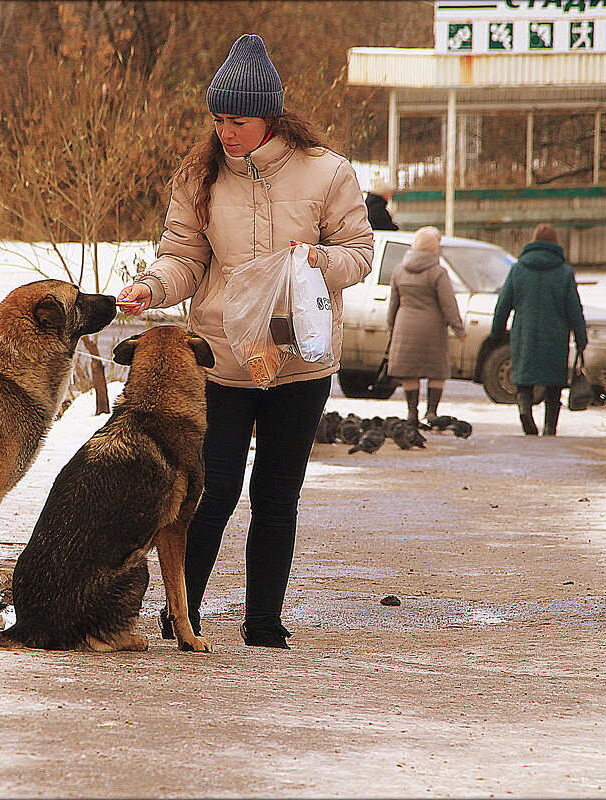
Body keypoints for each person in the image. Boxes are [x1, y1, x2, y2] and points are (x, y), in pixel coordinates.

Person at [117, 33, 374, 649]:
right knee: (211, 490)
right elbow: (186, 258)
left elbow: (360, 254)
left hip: (299, 362)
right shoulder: (199, 176)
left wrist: (318, 261)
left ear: (271, 117)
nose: (225, 132)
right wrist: (153, 288)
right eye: (218, 120)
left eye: (238, 120)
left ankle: (263, 623)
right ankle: (185, 615)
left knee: (277, 494)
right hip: (221, 361)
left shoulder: (329, 173)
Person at [491, 223, 587, 436]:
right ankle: (550, 426)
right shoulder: (563, 272)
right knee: (554, 383)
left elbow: (503, 303)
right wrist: (581, 337)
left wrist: (496, 332)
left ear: (533, 241)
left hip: (525, 333)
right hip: (555, 335)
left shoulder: (518, 269)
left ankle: (525, 409)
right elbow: (574, 308)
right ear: (556, 243)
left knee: (524, 379)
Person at [386, 226, 466, 425]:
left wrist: (391, 328)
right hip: (432, 328)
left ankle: (412, 413)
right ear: (434, 248)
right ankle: (431, 413)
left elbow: (392, 305)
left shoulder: (398, 270)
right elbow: (449, 304)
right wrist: (459, 329)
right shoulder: (438, 272)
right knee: (436, 371)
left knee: (409, 372)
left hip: (404, 326)